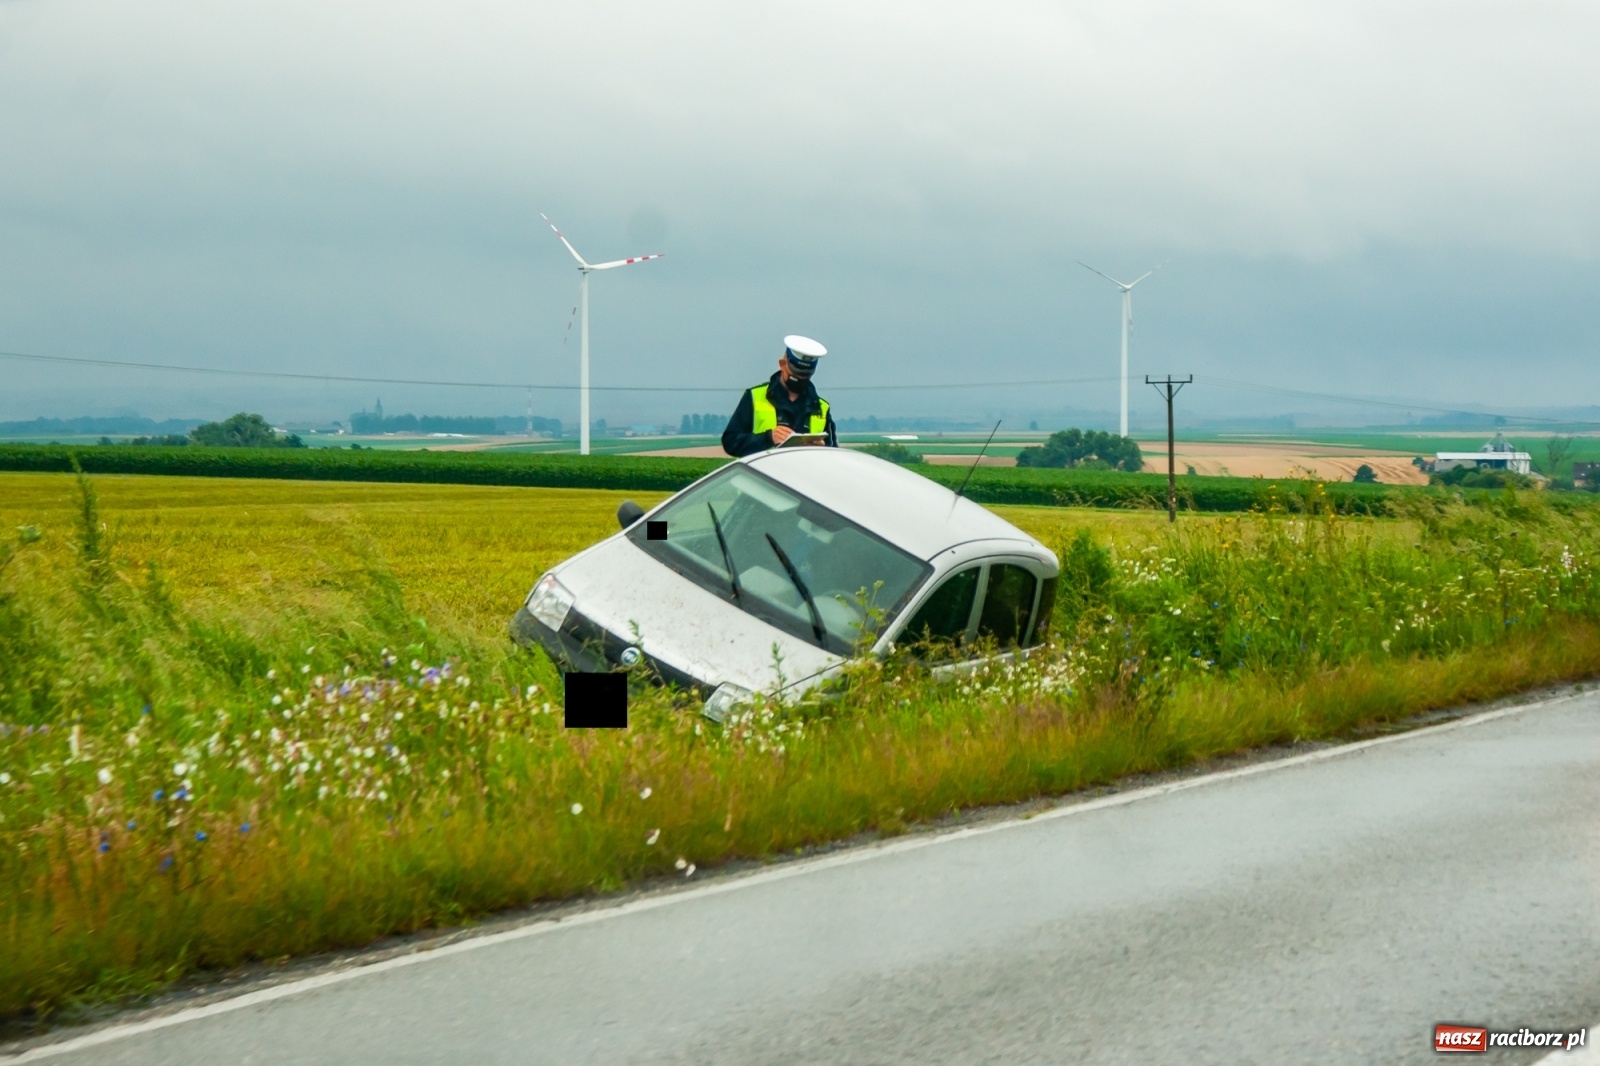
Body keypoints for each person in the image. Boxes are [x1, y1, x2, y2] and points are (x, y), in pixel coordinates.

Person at [721, 335, 838, 457]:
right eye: (795, 376)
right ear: (782, 364)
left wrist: (821, 449)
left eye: (805, 377)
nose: (799, 380)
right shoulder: (754, 397)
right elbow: (730, 442)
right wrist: (768, 438)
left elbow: (834, 454)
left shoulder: (821, 407)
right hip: (762, 475)